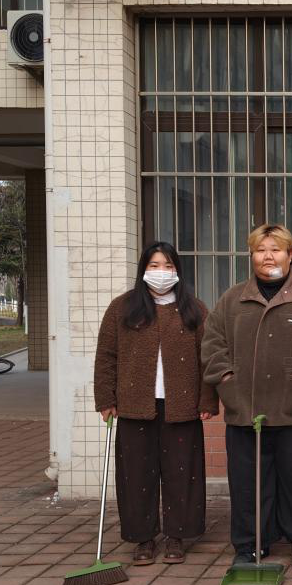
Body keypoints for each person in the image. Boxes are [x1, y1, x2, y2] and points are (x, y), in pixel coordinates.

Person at [202, 224, 292, 569]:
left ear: (290, 255)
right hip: (245, 410)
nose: (268, 256)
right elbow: (212, 343)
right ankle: (251, 543)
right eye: (261, 250)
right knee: (248, 482)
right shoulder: (233, 298)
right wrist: (228, 381)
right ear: (251, 256)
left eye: (276, 249)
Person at [93, 242, 217, 567]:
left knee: (182, 473)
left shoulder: (194, 309)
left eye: (168, 266)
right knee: (136, 474)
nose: (161, 272)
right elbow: (106, 356)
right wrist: (105, 398)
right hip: (135, 405)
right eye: (154, 265)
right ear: (143, 270)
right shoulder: (122, 308)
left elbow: (208, 358)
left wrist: (207, 398)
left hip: (182, 405)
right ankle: (143, 537)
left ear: (177, 271)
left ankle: (177, 534)